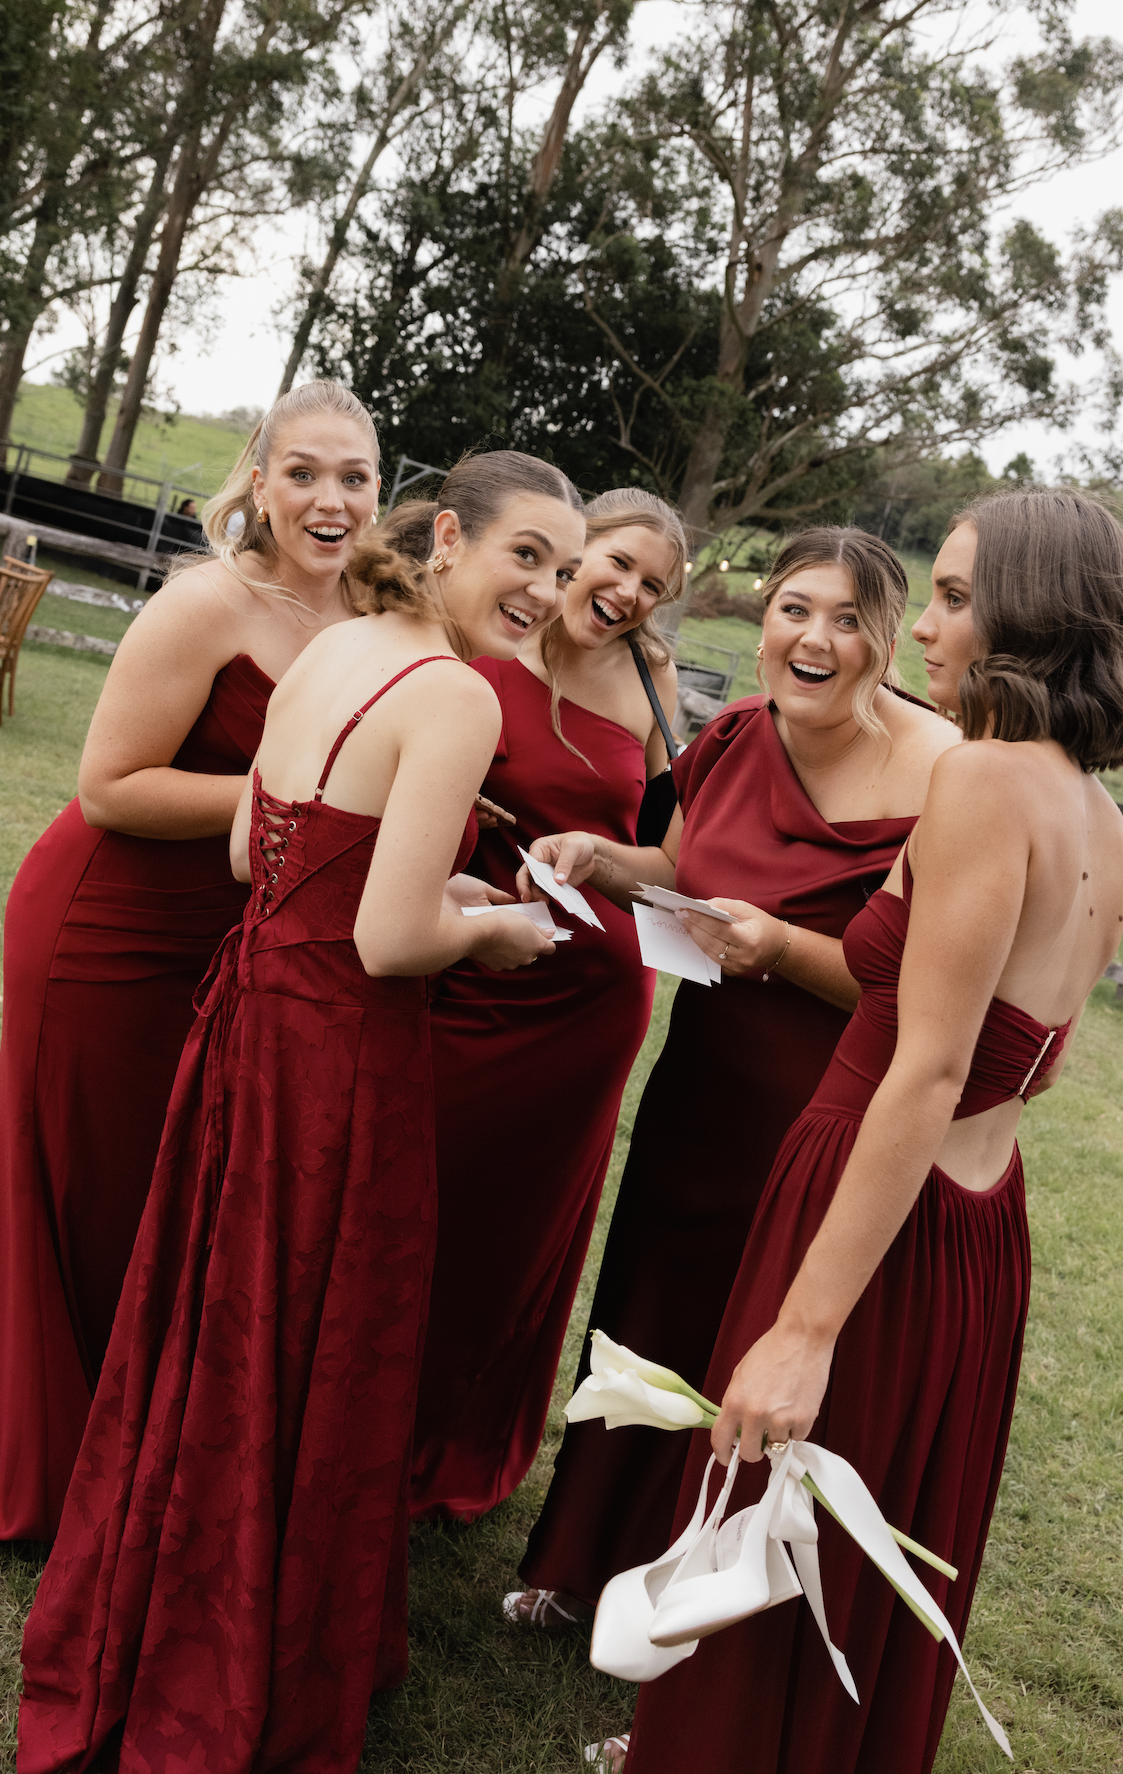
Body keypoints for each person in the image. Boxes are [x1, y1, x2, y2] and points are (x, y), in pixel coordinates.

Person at [17, 452, 585, 1774]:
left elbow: (240, 853)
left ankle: (167, 1586)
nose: (546, 591)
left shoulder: (335, 645)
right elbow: (391, 938)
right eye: (526, 557)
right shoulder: (451, 695)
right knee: (312, 1333)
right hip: (340, 1055)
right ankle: (246, 1633)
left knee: (219, 1316)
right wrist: (489, 933)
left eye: (564, 571)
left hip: (245, 1012)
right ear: (449, 536)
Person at [608, 487, 1123, 1774]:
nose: (927, 630)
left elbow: (929, 1069)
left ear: (1028, 618)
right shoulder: (1101, 818)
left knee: (789, 1474)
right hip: (978, 1220)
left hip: (873, 1196)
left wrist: (804, 1328)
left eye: (954, 599)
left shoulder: (979, 779)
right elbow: (1036, 1067)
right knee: (854, 1516)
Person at [510, 528, 960, 1626]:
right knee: (650, 1313)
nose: (818, 638)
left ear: (889, 640)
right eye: (797, 609)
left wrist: (788, 952)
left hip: (834, 1113)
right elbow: (684, 866)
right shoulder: (736, 736)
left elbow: (945, 998)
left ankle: (706, 1617)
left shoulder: (949, 773)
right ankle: (584, 1564)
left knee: (765, 1349)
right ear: (763, 620)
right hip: (702, 1096)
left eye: (851, 620)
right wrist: (600, 857)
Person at [0, 380, 381, 1543]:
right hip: (106, 930)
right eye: (303, 473)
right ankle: (42, 1464)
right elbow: (110, 786)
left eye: (355, 476)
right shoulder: (207, 601)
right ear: (256, 482)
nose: (330, 499)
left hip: (229, 938)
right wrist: (308, 805)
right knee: (83, 1182)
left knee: (170, 1188)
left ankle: (132, 1440)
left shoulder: (371, 616)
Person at [410, 488, 685, 1524]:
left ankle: (459, 1445)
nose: (623, 592)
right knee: (426, 1202)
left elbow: (677, 856)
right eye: (613, 563)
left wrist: (602, 855)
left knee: (517, 1237)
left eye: (652, 585)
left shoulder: (652, 679)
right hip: (469, 964)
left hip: (594, 1003)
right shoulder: (484, 642)